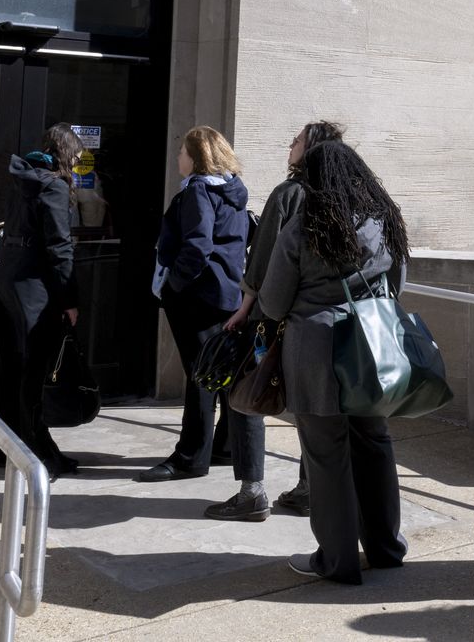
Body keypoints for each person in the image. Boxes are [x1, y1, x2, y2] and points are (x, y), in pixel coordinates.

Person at [259, 141, 410, 583]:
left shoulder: (306, 225)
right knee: (374, 443)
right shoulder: (383, 220)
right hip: (370, 346)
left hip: (317, 351)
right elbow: (397, 283)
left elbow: (272, 301)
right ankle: (386, 547)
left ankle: (336, 559)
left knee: (326, 455)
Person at [222, 120, 347, 517]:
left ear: (310, 150)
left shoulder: (289, 194)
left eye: (296, 140)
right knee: (311, 405)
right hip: (323, 321)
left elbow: (262, 258)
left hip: (272, 317)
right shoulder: (343, 198)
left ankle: (251, 490)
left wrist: (244, 308)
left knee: (250, 392)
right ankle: (309, 487)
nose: (289, 144)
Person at [138, 127, 262, 510]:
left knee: (202, 376)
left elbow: (197, 245)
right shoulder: (232, 191)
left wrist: (174, 284)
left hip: (198, 297)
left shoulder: (197, 191)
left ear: (197, 156)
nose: (178, 159)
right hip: (227, 295)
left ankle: (191, 457)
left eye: (183, 153)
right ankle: (221, 447)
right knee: (221, 373)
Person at [0, 124, 82, 479]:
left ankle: (5, 446)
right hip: (32, 289)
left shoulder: (22, 178)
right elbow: (59, 246)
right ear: (66, 154)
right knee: (33, 370)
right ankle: (40, 453)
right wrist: (70, 299)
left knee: (11, 366)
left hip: (6, 280)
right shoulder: (53, 186)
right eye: (76, 155)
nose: (77, 162)